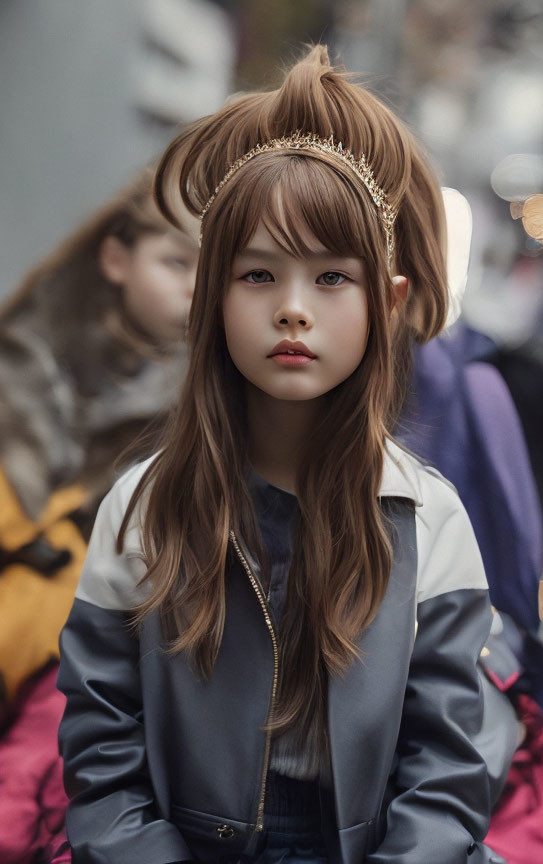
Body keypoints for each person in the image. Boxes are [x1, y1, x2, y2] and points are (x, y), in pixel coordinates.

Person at [57, 46, 503, 864]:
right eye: (258, 274)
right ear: (211, 297)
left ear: (389, 301)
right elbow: (102, 763)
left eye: (332, 278)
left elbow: (446, 773)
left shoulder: (428, 518)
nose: (293, 310)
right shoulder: (140, 509)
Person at [0, 168, 198, 864]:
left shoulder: (203, 413)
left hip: (69, 672)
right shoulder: (19, 359)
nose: (195, 287)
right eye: (177, 262)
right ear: (116, 259)